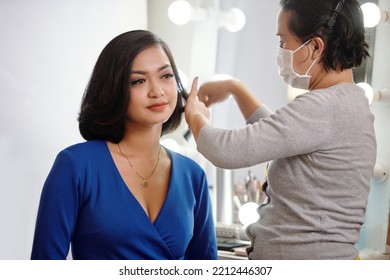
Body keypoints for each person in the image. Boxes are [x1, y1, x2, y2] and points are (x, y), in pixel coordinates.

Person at [185, 0, 376, 259]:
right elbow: (281, 137)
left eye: (283, 42)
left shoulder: (323, 106)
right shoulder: (350, 102)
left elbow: (226, 151)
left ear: (315, 47)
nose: (280, 50)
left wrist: (195, 116)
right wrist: (234, 88)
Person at [31, 30, 217, 260]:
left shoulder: (193, 176)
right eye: (138, 81)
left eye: (166, 76)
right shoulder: (76, 166)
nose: (157, 91)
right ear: (114, 90)